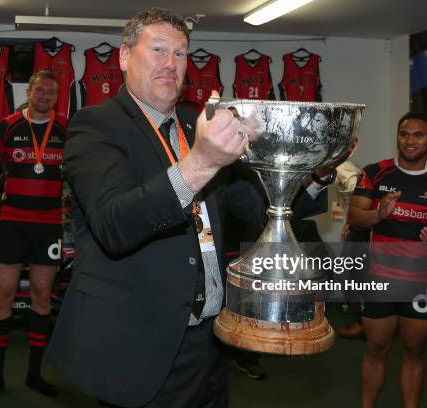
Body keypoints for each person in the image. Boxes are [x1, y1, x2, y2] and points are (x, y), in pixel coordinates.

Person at [45, 8, 333, 408]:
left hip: (212, 341)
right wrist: (202, 162)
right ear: (125, 57)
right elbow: (115, 225)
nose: (171, 63)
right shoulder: (95, 126)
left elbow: (257, 211)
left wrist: (317, 175)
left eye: (181, 54)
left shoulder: (195, 126)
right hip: (141, 344)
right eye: (159, 49)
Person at [348, 112, 427, 408]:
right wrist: (378, 214)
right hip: (379, 278)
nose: (410, 140)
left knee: (414, 351)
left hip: (420, 282)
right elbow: (355, 218)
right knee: (376, 348)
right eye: (404, 134)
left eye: (418, 135)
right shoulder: (376, 173)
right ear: (397, 136)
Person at [0, 71, 67, 401]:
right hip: (11, 224)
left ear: (57, 96)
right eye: (39, 89)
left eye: (51, 92)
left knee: (42, 296)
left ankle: (34, 374)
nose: (44, 95)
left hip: (49, 226)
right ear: (29, 91)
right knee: (4, 295)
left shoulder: (67, 129)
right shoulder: (7, 125)